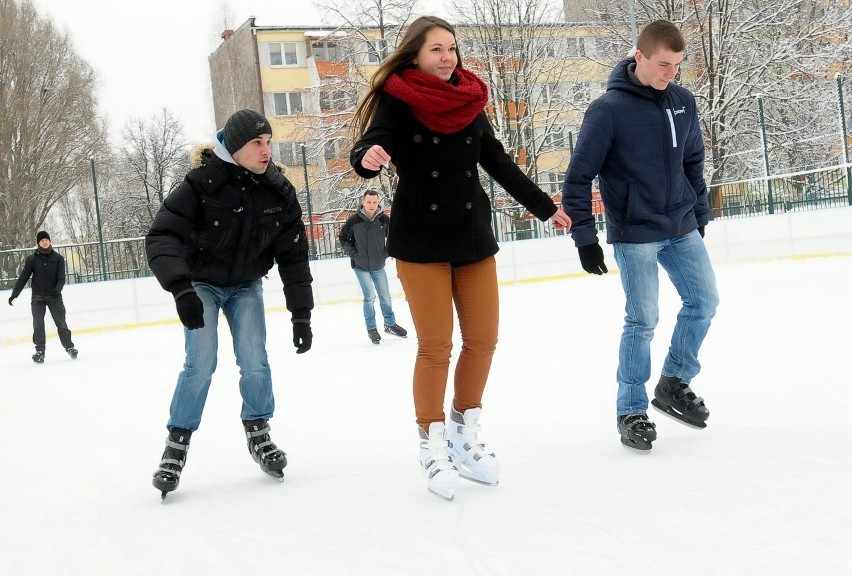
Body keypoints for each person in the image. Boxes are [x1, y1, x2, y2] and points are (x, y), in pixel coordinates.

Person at [350, 16, 571, 500]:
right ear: (415, 56)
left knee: (484, 340)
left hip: (471, 239)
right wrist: (366, 156)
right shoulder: (400, 99)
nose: (447, 56)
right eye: (436, 49)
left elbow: (498, 161)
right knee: (435, 347)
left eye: (451, 47)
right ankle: (430, 444)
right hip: (421, 244)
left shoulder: (469, 100)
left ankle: (462, 432)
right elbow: (371, 142)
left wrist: (544, 206)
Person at [561, 20, 719, 453]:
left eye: (677, 66)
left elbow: (693, 164)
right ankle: (631, 410)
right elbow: (578, 178)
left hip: (681, 226)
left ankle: (673, 383)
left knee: (704, 303)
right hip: (636, 232)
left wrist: (699, 214)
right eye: (663, 64)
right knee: (643, 320)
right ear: (640, 57)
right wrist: (585, 237)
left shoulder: (683, 102)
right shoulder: (608, 110)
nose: (671, 74)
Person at [145, 109, 314, 498]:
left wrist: (301, 313)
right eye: (257, 143)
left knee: (255, 359)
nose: (266, 150)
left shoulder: (278, 190)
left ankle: (258, 430)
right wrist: (181, 289)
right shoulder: (201, 183)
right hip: (201, 284)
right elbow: (162, 236)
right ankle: (176, 444)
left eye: (269, 142)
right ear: (235, 147)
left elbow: (293, 254)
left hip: (245, 285)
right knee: (201, 363)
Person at [339, 189, 408, 344]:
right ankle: (372, 329)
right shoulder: (353, 221)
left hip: (378, 265)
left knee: (385, 296)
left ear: (378, 202)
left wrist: (386, 253)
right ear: (363, 202)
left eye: (374, 202)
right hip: (361, 266)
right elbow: (343, 238)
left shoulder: (384, 220)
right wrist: (354, 255)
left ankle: (389, 324)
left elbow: (392, 238)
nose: (371, 205)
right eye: (369, 202)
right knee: (369, 297)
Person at [8, 231, 78, 363]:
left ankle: (70, 347)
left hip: (54, 297)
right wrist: (14, 294)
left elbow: (61, 278)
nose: (45, 242)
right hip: (37, 298)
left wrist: (57, 291)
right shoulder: (32, 259)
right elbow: (24, 277)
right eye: (42, 240)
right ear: (38, 242)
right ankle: (40, 351)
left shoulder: (58, 258)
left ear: (50, 241)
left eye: (46, 239)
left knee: (61, 323)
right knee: (38, 324)